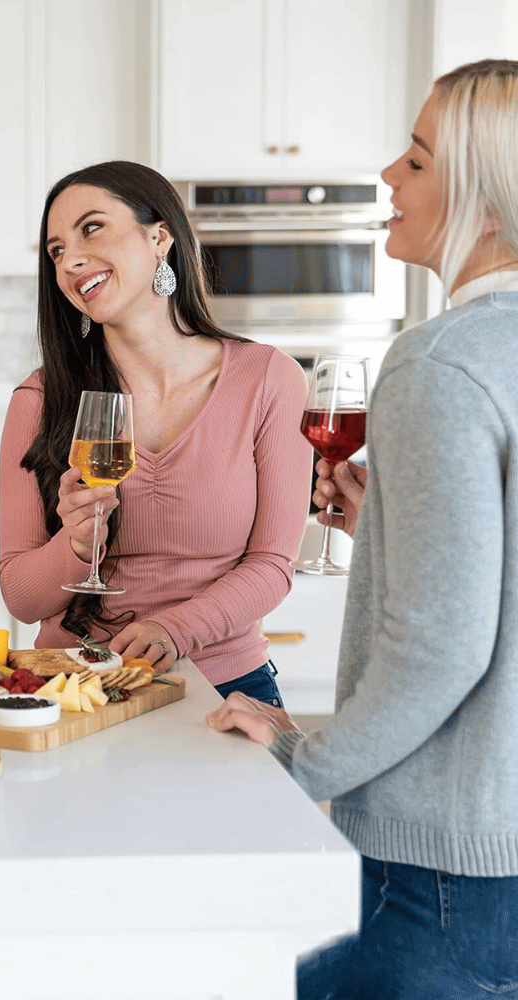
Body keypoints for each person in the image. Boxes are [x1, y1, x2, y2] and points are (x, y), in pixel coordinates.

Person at [207, 59, 518, 997]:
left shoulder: (440, 363)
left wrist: (304, 759)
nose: (389, 174)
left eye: (418, 160)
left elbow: (439, 644)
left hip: (443, 873)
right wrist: (393, 519)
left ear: (487, 200)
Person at [0, 160, 311, 701]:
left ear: (159, 236)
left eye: (91, 228)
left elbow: (273, 566)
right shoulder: (40, 400)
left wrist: (176, 628)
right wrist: (75, 543)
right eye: (55, 250)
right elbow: (22, 599)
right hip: (77, 688)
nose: (70, 259)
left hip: (225, 685)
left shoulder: (268, 379)